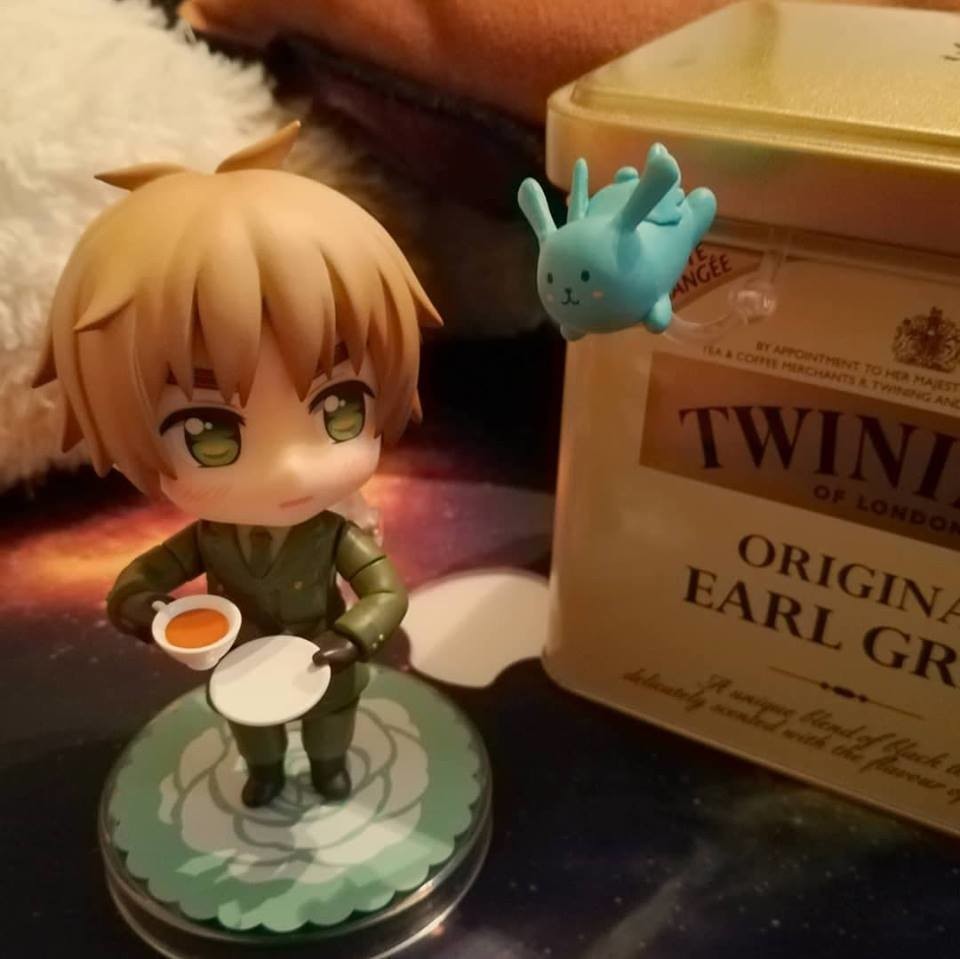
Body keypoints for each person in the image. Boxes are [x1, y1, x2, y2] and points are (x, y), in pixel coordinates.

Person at [34, 122, 442, 808]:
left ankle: (330, 766)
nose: (289, 471)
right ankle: (266, 771)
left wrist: (350, 638)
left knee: (332, 722)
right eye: (210, 435)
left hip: (323, 661)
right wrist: (146, 611)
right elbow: (139, 583)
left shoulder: (332, 535)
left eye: (341, 409)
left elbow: (384, 593)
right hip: (243, 665)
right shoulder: (209, 539)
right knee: (253, 730)